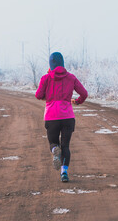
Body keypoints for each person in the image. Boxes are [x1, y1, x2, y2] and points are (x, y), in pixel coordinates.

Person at [35, 52, 88, 182]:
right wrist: (77, 101)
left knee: (53, 142)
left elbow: (38, 95)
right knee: (66, 146)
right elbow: (84, 93)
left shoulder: (46, 78)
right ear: (63, 63)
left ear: (50, 64)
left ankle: (54, 150)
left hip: (51, 116)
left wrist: (46, 96)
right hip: (67, 117)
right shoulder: (71, 77)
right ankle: (64, 173)